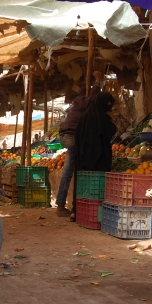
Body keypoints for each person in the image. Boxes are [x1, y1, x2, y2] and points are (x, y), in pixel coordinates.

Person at [54, 76, 102, 218]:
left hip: (67, 137)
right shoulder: (81, 101)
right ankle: (67, 206)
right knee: (72, 171)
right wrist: (97, 84)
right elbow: (90, 101)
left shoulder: (74, 106)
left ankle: (64, 204)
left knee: (70, 170)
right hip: (72, 138)